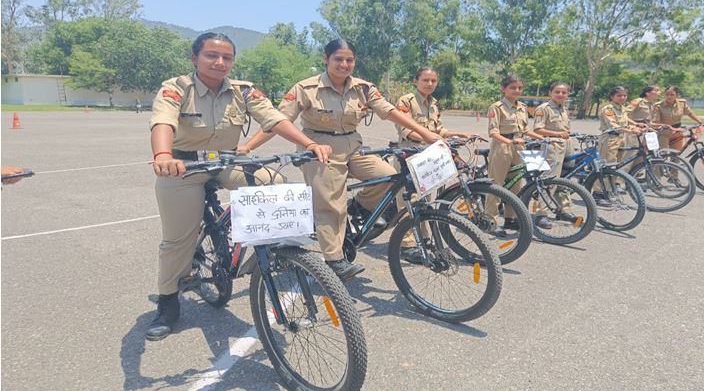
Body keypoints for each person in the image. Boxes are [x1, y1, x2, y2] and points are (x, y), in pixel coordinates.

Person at [147, 32, 331, 341]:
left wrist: (309, 143)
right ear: (195, 58)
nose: (220, 62)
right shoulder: (177, 88)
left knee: (273, 181)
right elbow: (163, 121)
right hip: (183, 167)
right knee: (178, 239)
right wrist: (164, 155)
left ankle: (266, 247)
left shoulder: (244, 91)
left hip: (226, 161)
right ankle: (167, 301)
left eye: (227, 57)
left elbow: (274, 119)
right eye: (211, 56)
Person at [277, 39, 442, 279]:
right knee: (331, 204)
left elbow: (389, 110)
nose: (344, 65)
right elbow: (280, 120)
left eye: (349, 60)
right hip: (320, 148)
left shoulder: (363, 88)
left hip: (353, 145)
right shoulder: (306, 88)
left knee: (387, 176)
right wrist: (252, 146)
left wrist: (427, 134)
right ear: (326, 59)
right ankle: (334, 260)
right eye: (338, 59)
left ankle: (359, 206)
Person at [394, 66, 471, 262]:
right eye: (425, 80)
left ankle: (424, 237)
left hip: (429, 157)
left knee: (426, 199)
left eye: (433, 81)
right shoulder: (406, 101)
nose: (430, 84)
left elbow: (439, 129)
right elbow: (406, 131)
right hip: (410, 155)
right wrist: (432, 139)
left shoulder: (434, 104)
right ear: (415, 80)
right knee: (409, 200)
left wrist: (457, 134)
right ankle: (408, 244)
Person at [485, 74, 544, 231]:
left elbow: (525, 130)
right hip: (502, 147)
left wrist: (543, 138)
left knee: (516, 185)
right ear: (503, 89)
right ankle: (490, 220)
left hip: (519, 147)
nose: (517, 90)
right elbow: (493, 132)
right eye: (512, 88)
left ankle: (511, 218)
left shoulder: (522, 107)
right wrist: (510, 142)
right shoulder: (497, 107)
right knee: (496, 185)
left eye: (519, 88)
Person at [531, 81, 575, 229]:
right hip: (551, 147)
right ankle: (541, 214)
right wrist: (557, 134)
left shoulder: (564, 109)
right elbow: (537, 130)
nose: (561, 95)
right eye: (557, 92)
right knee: (548, 181)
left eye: (564, 92)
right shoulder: (544, 109)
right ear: (550, 93)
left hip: (566, 146)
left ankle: (564, 209)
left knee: (565, 180)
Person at [594, 86, 643, 206]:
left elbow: (625, 123)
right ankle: (598, 193)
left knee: (617, 166)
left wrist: (636, 127)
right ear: (612, 96)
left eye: (624, 95)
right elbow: (614, 126)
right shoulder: (608, 109)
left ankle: (610, 190)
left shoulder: (622, 108)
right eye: (619, 95)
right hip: (610, 139)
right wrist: (631, 130)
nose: (622, 98)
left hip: (621, 138)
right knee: (606, 166)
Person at [653, 85, 704, 152]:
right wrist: (667, 127)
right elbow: (656, 122)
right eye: (667, 94)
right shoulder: (658, 106)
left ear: (677, 95)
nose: (669, 97)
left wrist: (700, 121)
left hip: (678, 133)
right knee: (662, 155)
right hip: (664, 133)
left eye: (672, 95)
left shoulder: (682, 103)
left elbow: (690, 113)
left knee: (676, 155)